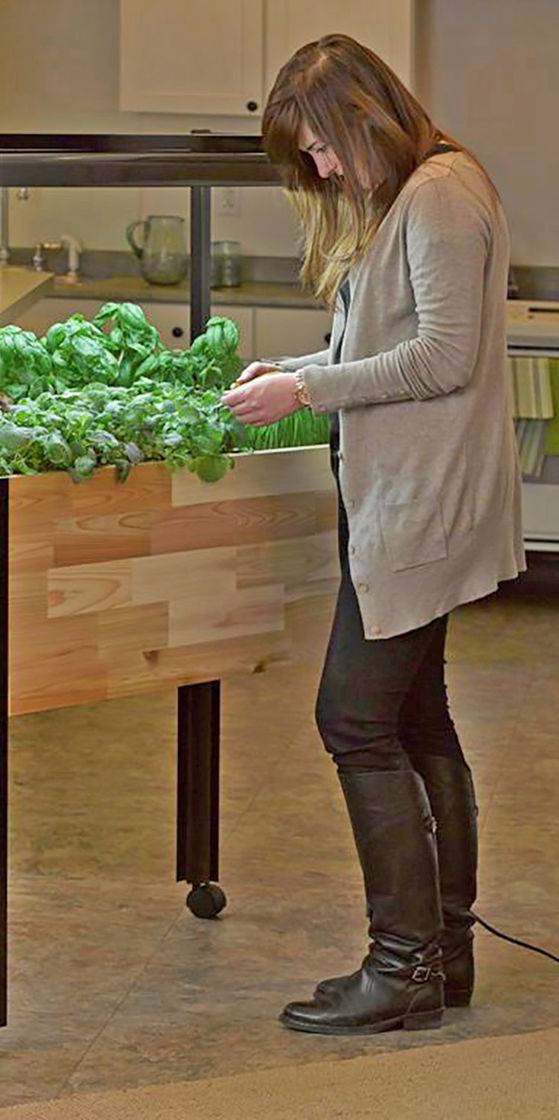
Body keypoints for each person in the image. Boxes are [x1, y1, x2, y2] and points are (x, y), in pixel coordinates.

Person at [220, 33, 526, 1035]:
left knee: (352, 717)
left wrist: (307, 387)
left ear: (362, 114)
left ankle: (402, 968)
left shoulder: (436, 195)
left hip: (419, 507)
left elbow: (439, 356)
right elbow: (382, 343)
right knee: (411, 717)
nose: (317, 168)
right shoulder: (425, 189)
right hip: (413, 502)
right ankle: (440, 955)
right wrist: (292, 372)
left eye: (316, 144)